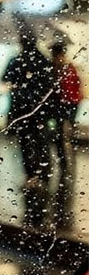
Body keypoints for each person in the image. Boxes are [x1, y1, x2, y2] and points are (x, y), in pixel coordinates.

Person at [2, 34, 57, 206]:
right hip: (41, 109)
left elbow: (5, 79)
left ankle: (31, 175)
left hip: (21, 109)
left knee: (25, 142)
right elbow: (50, 84)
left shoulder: (16, 60)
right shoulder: (44, 61)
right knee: (41, 140)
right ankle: (44, 174)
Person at [51, 43, 81, 186]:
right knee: (61, 132)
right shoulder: (60, 68)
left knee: (64, 131)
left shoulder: (65, 67)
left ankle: (66, 157)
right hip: (66, 103)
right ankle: (64, 158)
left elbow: (74, 85)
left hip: (68, 103)